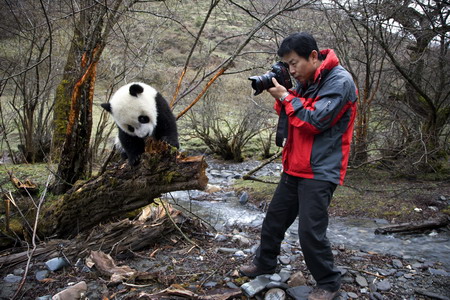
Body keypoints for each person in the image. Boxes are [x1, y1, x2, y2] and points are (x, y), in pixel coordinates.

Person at [239, 32, 358, 300]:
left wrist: (285, 96)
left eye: (294, 63)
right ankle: (265, 263)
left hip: (321, 169)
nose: (292, 71)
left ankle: (328, 282)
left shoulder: (340, 81)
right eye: (288, 65)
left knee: (309, 231)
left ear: (313, 57)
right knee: (274, 220)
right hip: (295, 165)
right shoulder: (307, 80)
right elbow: (292, 114)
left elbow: (314, 120)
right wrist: (283, 93)